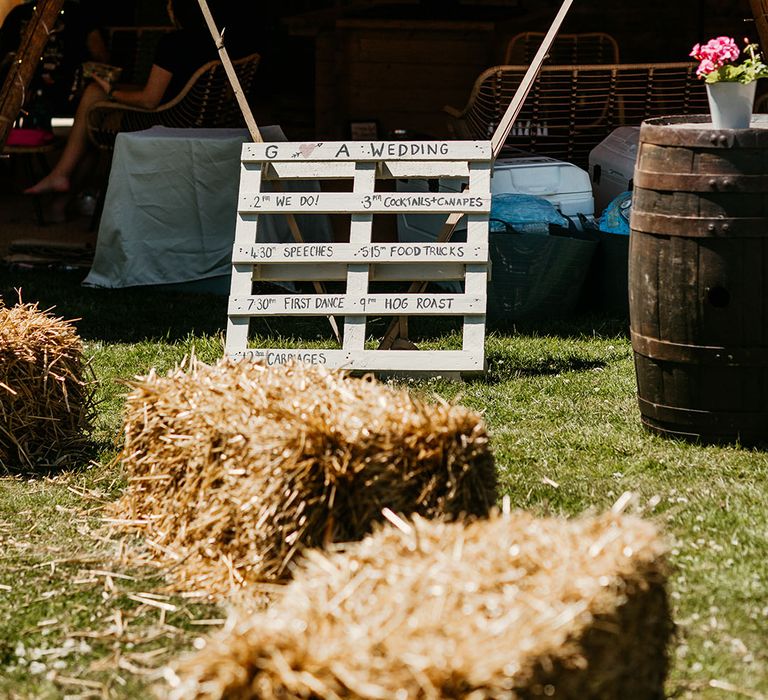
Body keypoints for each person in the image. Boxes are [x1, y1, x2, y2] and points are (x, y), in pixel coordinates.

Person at [24, 0, 248, 201]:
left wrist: (111, 92)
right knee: (93, 104)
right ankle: (60, 198)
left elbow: (149, 101)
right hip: (202, 117)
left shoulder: (175, 43)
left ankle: (60, 179)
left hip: (168, 122)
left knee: (94, 116)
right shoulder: (222, 44)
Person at [0, 0, 109, 120]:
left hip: (65, 97)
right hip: (18, 96)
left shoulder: (79, 15)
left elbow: (101, 58)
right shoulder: (19, 14)